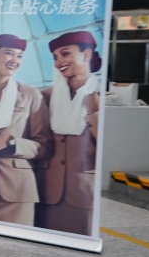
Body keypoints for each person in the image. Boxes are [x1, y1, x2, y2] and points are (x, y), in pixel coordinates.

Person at [0, 34, 52, 226]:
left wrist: (13, 143)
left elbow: (45, 146)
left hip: (17, 190)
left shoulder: (30, 95)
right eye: (8, 53)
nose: (15, 60)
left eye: (19, 55)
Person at [38, 31, 101, 236]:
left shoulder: (100, 96)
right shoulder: (46, 97)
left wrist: (93, 109)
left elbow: (107, 146)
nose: (59, 62)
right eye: (55, 57)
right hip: (47, 188)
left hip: (82, 191)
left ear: (87, 54)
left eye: (65, 54)